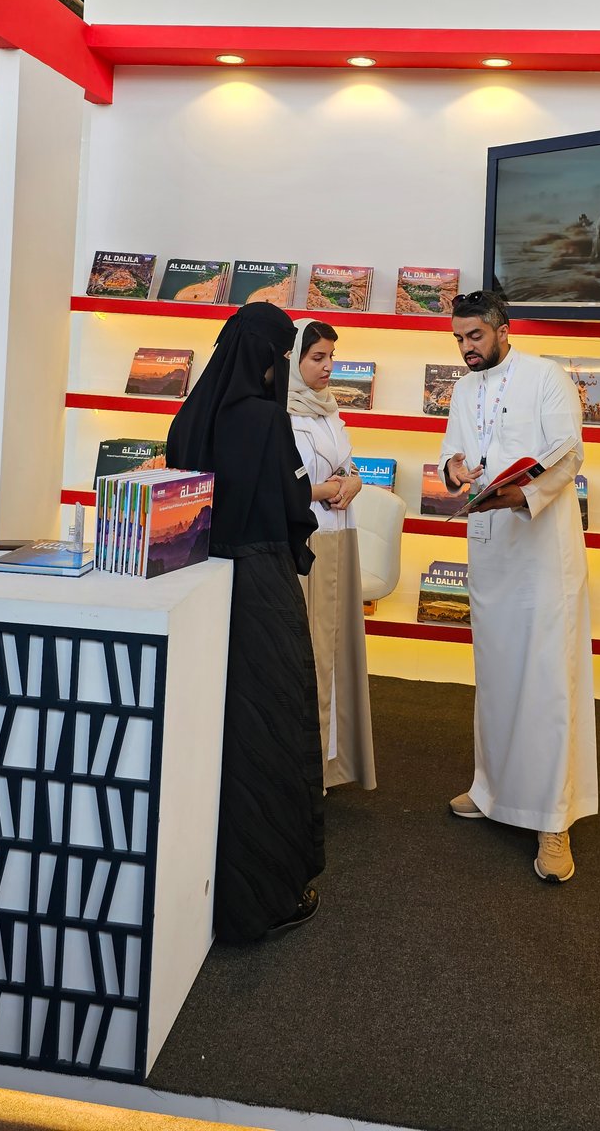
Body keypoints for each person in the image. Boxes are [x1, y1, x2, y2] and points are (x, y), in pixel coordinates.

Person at [166, 301, 325, 940]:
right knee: (269, 729)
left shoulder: (189, 417)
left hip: (194, 586)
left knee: (208, 733)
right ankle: (264, 897)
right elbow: (294, 507)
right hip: (260, 588)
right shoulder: (266, 421)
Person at [439, 289, 598, 883]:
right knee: (497, 674)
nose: (466, 348)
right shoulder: (462, 389)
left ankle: (553, 821)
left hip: (542, 551)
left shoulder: (547, 377)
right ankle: (492, 789)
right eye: (459, 339)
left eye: (474, 336)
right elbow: (452, 452)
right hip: (490, 549)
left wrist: (520, 493)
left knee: (548, 681)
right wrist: (454, 469)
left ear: (503, 329)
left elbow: (569, 455)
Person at [287, 318, 377, 791]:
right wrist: (324, 490)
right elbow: (275, 488)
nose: (328, 367)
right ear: (293, 360)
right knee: (310, 652)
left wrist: (354, 482)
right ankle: (303, 771)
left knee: (335, 650)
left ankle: (330, 764)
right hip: (305, 544)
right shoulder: (277, 413)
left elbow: (346, 463)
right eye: (317, 358)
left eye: (331, 358)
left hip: (340, 536)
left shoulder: (327, 408)